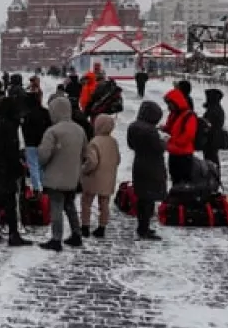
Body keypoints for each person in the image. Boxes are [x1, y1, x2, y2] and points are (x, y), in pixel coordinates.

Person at [35, 95, 86, 251]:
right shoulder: (79, 129)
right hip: (72, 176)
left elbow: (44, 155)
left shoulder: (53, 131)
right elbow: (85, 152)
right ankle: (76, 234)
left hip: (55, 177)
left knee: (56, 207)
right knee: (69, 205)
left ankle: (56, 239)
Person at [0, 97, 31, 247]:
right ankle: (13, 234)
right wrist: (18, 167)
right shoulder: (10, 126)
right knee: (10, 203)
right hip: (6, 169)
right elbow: (12, 150)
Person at [127, 102, 166, 241]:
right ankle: (144, 228)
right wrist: (164, 142)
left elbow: (131, 145)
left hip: (139, 162)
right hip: (152, 166)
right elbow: (158, 148)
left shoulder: (133, 126)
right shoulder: (151, 131)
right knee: (149, 198)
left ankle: (142, 226)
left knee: (142, 196)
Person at [80, 114, 120, 238]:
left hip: (94, 177)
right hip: (108, 178)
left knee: (86, 202)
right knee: (104, 204)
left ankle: (85, 227)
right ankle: (102, 227)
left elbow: (92, 161)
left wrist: (83, 170)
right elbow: (118, 159)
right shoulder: (113, 141)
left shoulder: (94, 142)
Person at [162, 88, 198, 184]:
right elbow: (172, 128)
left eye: (170, 104)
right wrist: (164, 129)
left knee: (183, 182)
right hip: (174, 152)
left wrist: (172, 141)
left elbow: (188, 136)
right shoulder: (174, 114)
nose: (168, 107)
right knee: (175, 179)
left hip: (184, 155)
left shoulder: (189, 115)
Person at [20, 92, 52, 194]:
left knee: (33, 166)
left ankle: (36, 188)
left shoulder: (26, 115)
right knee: (42, 165)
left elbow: (24, 129)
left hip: (30, 143)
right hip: (43, 142)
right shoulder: (45, 112)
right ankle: (45, 185)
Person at [202, 89, 226, 168]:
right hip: (212, 138)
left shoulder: (214, 109)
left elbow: (209, 123)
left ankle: (214, 177)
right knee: (211, 158)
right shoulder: (215, 108)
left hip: (212, 138)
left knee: (211, 159)